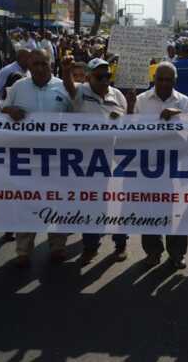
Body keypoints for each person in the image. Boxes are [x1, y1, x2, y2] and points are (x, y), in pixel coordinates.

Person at [2, 49, 72, 268]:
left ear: (51, 63)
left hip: (58, 158)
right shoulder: (18, 88)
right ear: (28, 66)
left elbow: (81, 118)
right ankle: (23, 249)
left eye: (44, 63)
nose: (40, 68)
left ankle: (58, 246)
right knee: (26, 203)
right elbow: (0, 110)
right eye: (35, 65)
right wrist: (9, 109)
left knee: (58, 202)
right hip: (27, 159)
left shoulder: (64, 87)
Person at [61, 56, 129, 264]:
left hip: (114, 156)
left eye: (107, 76)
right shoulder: (80, 92)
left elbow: (127, 121)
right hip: (87, 159)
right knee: (91, 203)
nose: (104, 80)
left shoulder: (117, 95)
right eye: (99, 76)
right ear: (89, 77)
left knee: (117, 202)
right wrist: (66, 70)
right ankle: (90, 247)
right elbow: (69, 85)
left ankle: (120, 244)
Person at [133, 62, 188, 269]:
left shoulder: (184, 102)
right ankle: (152, 252)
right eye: (160, 79)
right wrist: (160, 121)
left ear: (175, 81)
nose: (163, 83)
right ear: (154, 79)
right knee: (149, 209)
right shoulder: (141, 101)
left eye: (168, 79)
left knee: (176, 210)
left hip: (177, 164)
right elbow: (134, 133)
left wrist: (177, 118)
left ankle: (177, 253)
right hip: (149, 166)